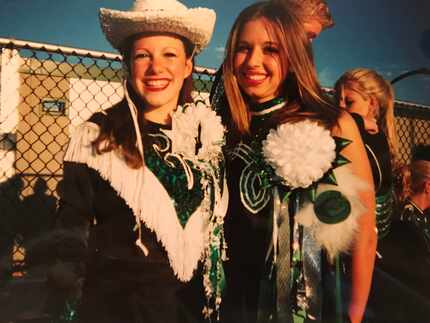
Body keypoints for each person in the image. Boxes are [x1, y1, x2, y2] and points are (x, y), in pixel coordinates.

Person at [45, 0, 228, 322]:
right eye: (143, 55)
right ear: (128, 64)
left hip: (192, 311)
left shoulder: (206, 136)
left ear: (188, 65)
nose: (156, 68)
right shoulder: (97, 137)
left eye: (169, 54)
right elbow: (71, 236)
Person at [217, 2, 376, 323]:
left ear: (293, 56)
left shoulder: (333, 123)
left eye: (270, 49)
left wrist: (355, 315)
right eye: (243, 48)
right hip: (236, 304)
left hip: (312, 308)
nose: (254, 61)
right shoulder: (223, 126)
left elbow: (364, 232)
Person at [210, 0, 334, 110]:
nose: (307, 44)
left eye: (311, 38)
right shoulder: (233, 73)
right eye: (305, 34)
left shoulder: (317, 119)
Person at [335, 68, 397, 240]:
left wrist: (356, 120)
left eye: (349, 102)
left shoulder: (373, 140)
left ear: (372, 104)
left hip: (365, 247)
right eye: (336, 102)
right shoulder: (362, 134)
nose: (340, 109)